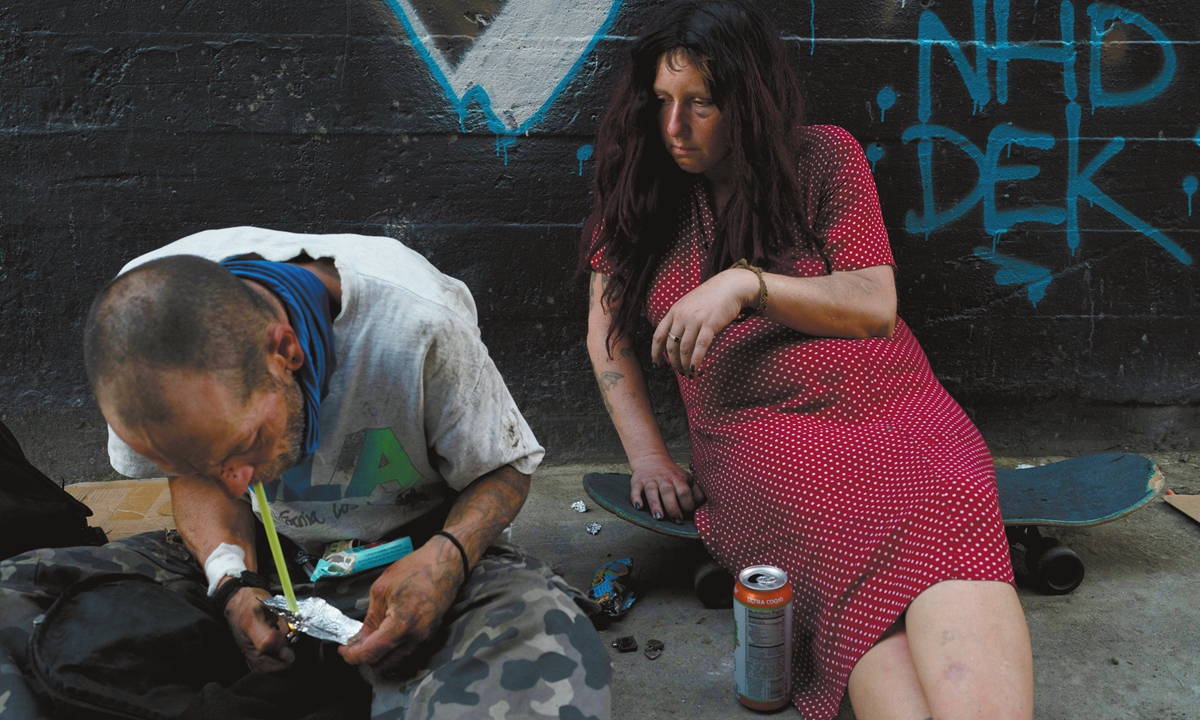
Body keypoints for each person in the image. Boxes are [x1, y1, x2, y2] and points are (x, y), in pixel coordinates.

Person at [581, 2, 1033, 719]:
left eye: (700, 103)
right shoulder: (641, 188)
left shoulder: (824, 158)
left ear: (748, 99)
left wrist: (745, 284)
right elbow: (607, 336)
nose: (674, 127)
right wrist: (648, 457)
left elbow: (873, 303)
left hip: (894, 405)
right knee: (843, 535)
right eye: (662, 102)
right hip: (761, 430)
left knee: (947, 498)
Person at [0, 227, 610, 719]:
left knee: (542, 660)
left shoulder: (415, 326)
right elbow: (197, 485)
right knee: (12, 597)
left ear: (286, 351)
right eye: (210, 464)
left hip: (411, 554)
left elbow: (505, 469)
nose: (240, 483)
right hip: (256, 559)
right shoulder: (139, 345)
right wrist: (231, 581)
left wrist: (447, 558)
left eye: (245, 446)